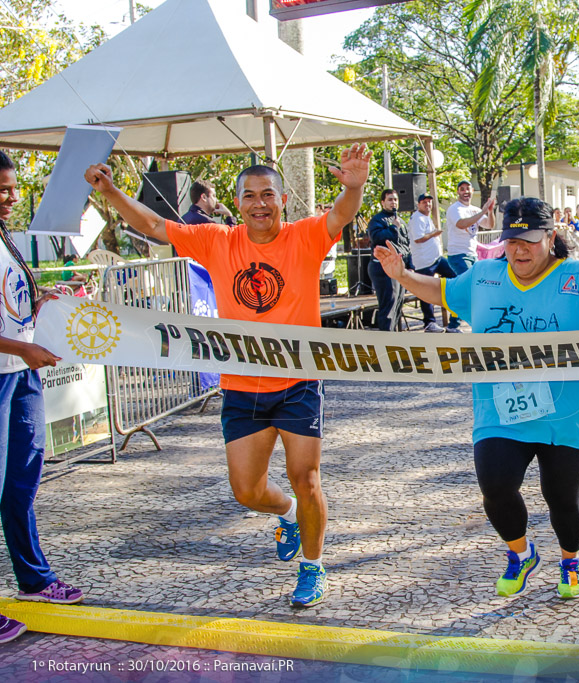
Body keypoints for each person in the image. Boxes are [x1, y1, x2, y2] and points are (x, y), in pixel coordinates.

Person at [84, 143, 372, 608]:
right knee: (247, 490)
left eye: (268, 194)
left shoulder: (304, 236)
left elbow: (340, 214)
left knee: (306, 476)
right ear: (236, 202)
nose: (260, 203)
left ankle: (313, 568)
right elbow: (154, 226)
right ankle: (288, 513)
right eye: (250, 195)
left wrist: (355, 186)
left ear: (282, 199)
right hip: (241, 386)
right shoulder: (218, 240)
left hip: (298, 382)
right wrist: (113, 191)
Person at [372, 197, 579, 600]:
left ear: (551, 238)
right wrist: (402, 274)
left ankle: (571, 560)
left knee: (562, 500)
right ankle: (520, 554)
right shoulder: (484, 277)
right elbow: (441, 291)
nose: (519, 248)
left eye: (530, 240)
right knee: (495, 487)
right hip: (500, 411)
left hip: (565, 415)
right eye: (512, 239)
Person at [0, 151, 84, 646]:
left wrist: (45, 301)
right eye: (4, 189)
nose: (12, 198)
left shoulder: (5, 237)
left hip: (21, 374)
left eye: (12, 188)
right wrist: (22, 347)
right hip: (9, 368)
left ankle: (32, 579)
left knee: (21, 483)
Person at [445, 181, 495, 332]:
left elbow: (489, 225)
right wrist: (482, 211)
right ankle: (457, 324)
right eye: (462, 189)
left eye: (468, 189)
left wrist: (490, 211)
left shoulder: (475, 209)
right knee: (470, 287)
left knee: (469, 288)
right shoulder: (454, 209)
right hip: (458, 255)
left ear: (472, 190)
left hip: (472, 254)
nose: (465, 191)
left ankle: (454, 323)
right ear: (458, 192)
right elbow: (462, 224)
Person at [408, 193, 456, 333]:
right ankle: (429, 323)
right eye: (424, 202)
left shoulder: (426, 217)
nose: (427, 205)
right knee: (426, 292)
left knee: (454, 276)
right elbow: (418, 239)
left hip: (436, 258)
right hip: (424, 262)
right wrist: (434, 234)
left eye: (429, 202)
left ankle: (454, 316)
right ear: (418, 204)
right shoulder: (417, 218)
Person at [368, 188, 411, 331]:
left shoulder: (400, 220)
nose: (394, 202)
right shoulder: (377, 220)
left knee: (398, 303)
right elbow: (377, 238)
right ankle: (385, 338)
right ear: (382, 202)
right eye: (390, 199)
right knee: (389, 305)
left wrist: (410, 265)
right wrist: (393, 228)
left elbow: (405, 244)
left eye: (395, 199)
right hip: (383, 268)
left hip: (400, 267)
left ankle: (394, 337)